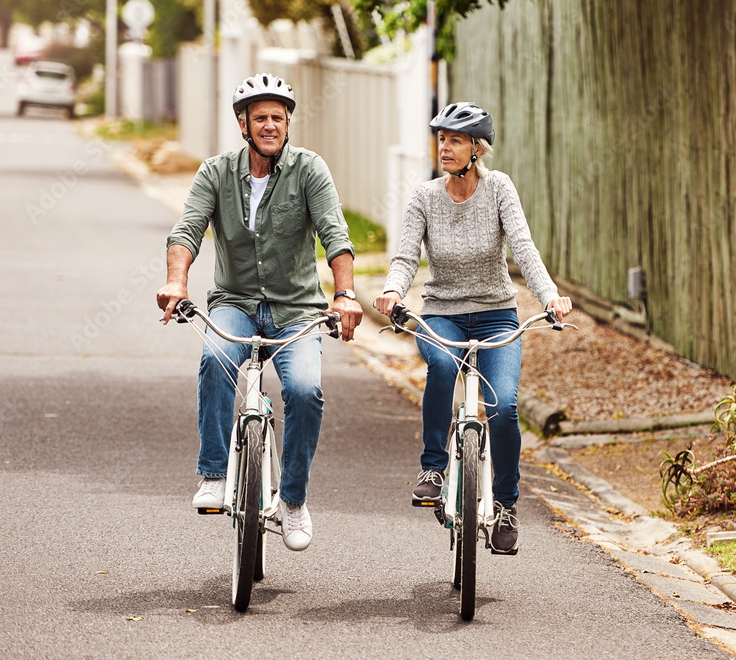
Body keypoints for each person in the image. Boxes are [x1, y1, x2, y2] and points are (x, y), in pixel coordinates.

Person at [157, 73, 363, 551]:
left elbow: (336, 235)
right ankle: (213, 474)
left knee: (305, 390)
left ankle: (292, 501)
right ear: (242, 125)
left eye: (278, 117)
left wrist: (346, 293)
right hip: (235, 304)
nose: (270, 125)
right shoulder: (215, 172)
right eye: (261, 118)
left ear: (288, 123)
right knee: (216, 360)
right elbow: (186, 230)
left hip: (297, 310)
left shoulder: (309, 169)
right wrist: (176, 280)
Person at [374, 102, 572, 554]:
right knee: (442, 367)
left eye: (456, 140)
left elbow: (523, 248)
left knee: (502, 405)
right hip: (441, 311)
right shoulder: (424, 197)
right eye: (442, 139)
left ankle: (505, 505)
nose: (445, 147)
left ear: (477, 149)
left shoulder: (499, 188)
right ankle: (433, 468)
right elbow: (405, 257)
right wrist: (392, 291)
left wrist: (549, 297)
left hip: (497, 314)